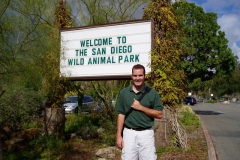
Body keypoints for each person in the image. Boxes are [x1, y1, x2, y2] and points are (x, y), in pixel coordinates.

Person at [115, 64, 163, 160]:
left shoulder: (152, 93)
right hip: (129, 133)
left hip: (146, 134)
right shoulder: (124, 93)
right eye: (135, 75)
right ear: (131, 76)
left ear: (144, 76)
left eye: (140, 75)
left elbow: (159, 114)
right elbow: (121, 114)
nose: (137, 78)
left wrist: (141, 107)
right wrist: (118, 135)